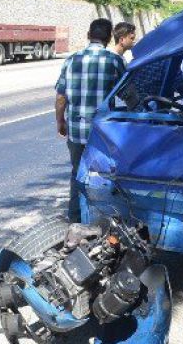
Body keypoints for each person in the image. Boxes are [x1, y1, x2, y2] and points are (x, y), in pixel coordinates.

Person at [55, 19, 126, 222]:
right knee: (105, 175)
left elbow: (61, 97)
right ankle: (103, 219)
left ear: (88, 35)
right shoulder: (114, 61)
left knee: (78, 173)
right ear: (109, 38)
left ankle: (76, 219)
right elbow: (129, 94)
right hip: (104, 133)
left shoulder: (71, 60)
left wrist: (60, 121)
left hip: (77, 130)